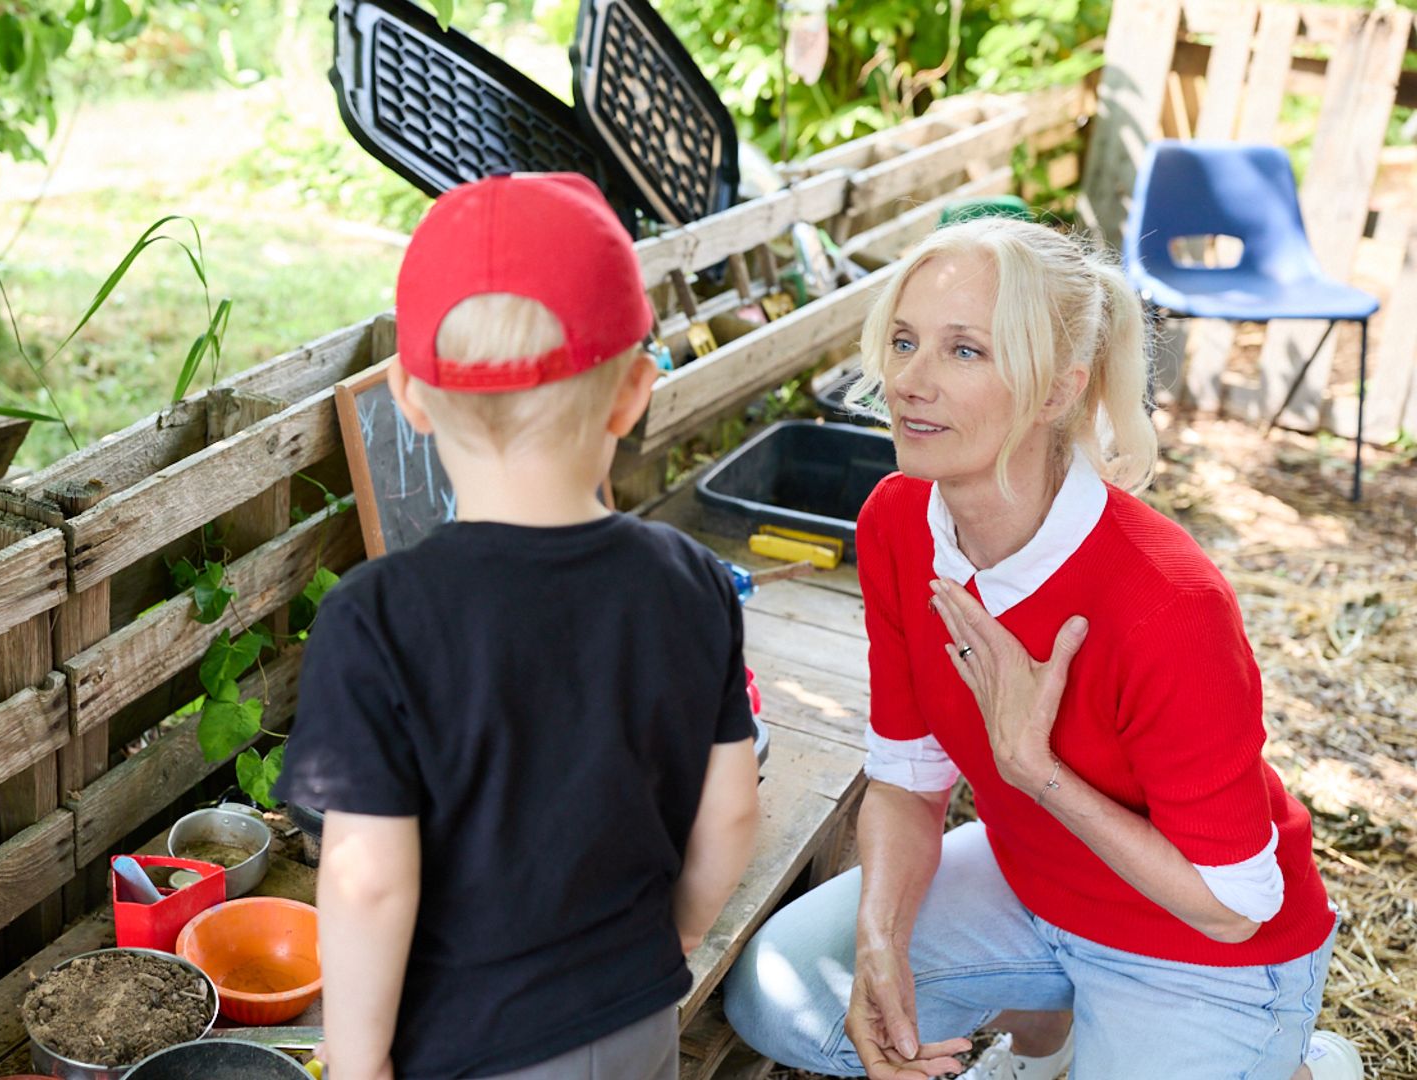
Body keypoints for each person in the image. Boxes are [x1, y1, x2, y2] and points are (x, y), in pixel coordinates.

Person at [720, 217, 1357, 1080]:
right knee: (783, 997)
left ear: (1057, 392)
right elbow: (907, 778)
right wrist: (879, 941)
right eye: (904, 342)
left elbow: (1235, 905)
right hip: (1032, 885)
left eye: (964, 351)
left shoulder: (1171, 603)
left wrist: (1034, 767)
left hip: (1203, 951)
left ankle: (1302, 1064)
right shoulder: (896, 521)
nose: (909, 381)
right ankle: (1048, 1034)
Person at [274, 173, 763, 1080]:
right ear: (634, 392)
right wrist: (675, 938)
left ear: (408, 398)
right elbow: (732, 808)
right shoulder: (692, 579)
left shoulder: (375, 618)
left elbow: (367, 880)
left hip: (471, 1049)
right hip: (637, 1018)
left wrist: (360, 1062)